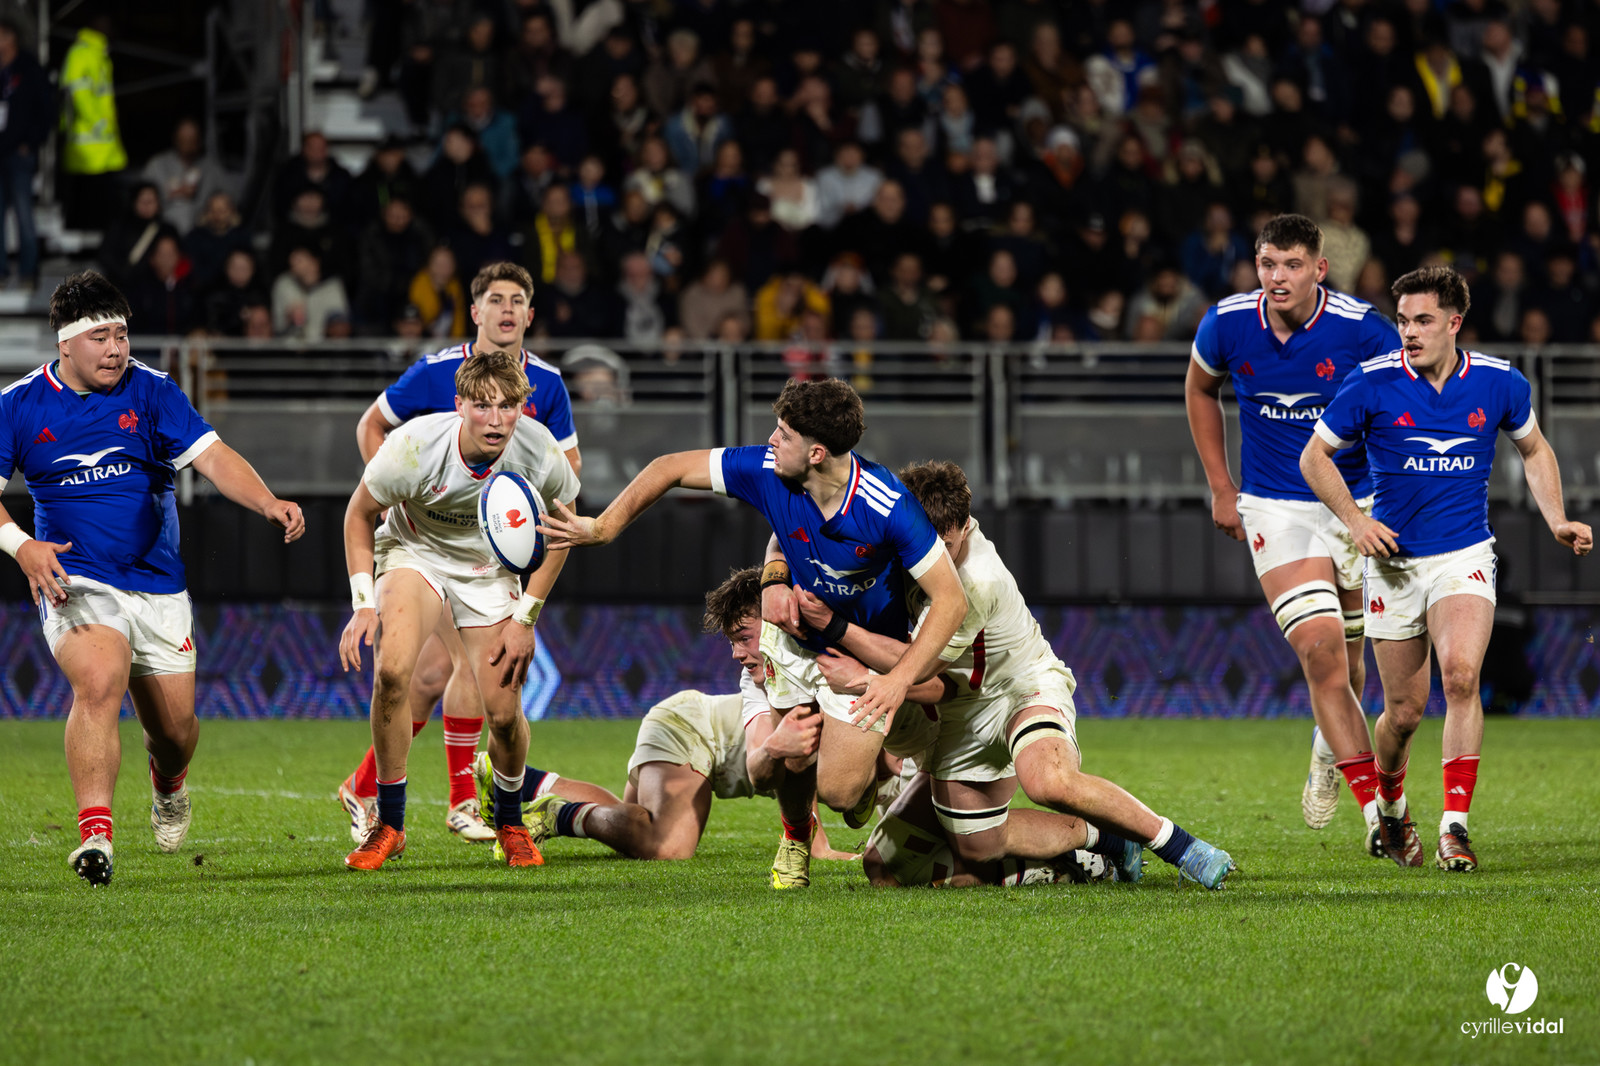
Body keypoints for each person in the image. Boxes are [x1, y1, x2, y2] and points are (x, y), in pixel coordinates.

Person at [537, 378, 969, 889]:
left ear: (816, 452)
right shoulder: (769, 470)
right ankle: (794, 841)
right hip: (792, 637)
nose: (770, 440)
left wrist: (896, 682)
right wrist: (602, 528)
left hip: (857, 654)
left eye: (782, 433)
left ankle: (866, 780)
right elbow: (670, 467)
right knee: (784, 760)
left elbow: (952, 600)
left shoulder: (888, 506)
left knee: (839, 792)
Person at [799, 461, 1236, 889]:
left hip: (1021, 688)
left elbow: (922, 666)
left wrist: (838, 631)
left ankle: (1182, 847)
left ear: (965, 525)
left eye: (945, 545)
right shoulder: (900, 539)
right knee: (924, 860)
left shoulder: (975, 582)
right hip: (961, 714)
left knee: (1049, 781)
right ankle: (1099, 841)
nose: (934, 558)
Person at [0, 271, 304, 885]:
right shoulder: (17, 406)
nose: (116, 348)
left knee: (175, 734)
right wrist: (22, 545)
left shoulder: (154, 391)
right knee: (100, 679)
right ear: (66, 343)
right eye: (101, 337)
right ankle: (96, 836)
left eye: (122, 334)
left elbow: (213, 457)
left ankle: (168, 784)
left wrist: (268, 501)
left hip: (158, 583)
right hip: (77, 576)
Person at [1301, 265, 1592, 872]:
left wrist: (1557, 518)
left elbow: (1534, 448)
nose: (1408, 331)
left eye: (1423, 320)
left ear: (1454, 322)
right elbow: (1314, 458)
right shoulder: (1369, 383)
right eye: (1403, 319)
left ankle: (1454, 828)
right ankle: (1390, 801)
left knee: (1461, 678)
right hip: (1395, 567)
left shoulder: (1498, 383)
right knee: (1403, 713)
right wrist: (1356, 521)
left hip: (1463, 555)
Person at [336, 262, 580, 846]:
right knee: (406, 671)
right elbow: (367, 469)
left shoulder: (544, 398)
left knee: (474, 691)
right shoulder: (431, 394)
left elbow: (567, 501)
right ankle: (433, 808)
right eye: (494, 299)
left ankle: (380, 787)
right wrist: (398, 485)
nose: (505, 310)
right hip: (418, 546)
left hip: (490, 556)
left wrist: (520, 557)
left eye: (517, 300)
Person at [1185, 213, 1402, 852]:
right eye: (1267, 264)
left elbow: (1402, 405)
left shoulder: (1363, 329)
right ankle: (1377, 818)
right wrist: (1222, 486)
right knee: (1320, 651)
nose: (1277, 277)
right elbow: (1200, 389)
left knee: (1355, 663)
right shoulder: (1226, 322)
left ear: (1319, 269)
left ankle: (1326, 742)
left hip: (1356, 503)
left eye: (1292, 265)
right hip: (1276, 508)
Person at [474, 567, 857, 863]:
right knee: (667, 846)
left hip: (696, 732)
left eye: (744, 638)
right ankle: (558, 815)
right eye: (734, 641)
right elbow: (780, 757)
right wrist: (813, 845)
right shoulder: (760, 679)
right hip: (688, 728)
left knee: (632, 822)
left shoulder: (806, 667)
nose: (738, 654)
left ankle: (521, 781)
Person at [58, 7, 127, 231]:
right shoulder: (83, 52)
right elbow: (78, 93)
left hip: (100, 144)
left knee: (100, 203)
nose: (111, 29)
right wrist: (98, 124)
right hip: (86, 144)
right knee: (85, 202)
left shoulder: (99, 53)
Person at [0, 15, 52, 290]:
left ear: (10, 38)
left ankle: (28, 271)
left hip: (19, 153)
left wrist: (31, 142)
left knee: (23, 212)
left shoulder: (29, 68)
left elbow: (46, 110)